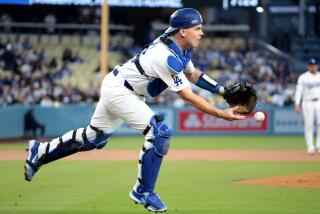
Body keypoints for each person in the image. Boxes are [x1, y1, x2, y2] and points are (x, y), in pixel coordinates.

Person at [24, 8, 245, 213]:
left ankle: (40, 151)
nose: (202, 32)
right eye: (198, 28)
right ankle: (143, 191)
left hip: (120, 86)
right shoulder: (164, 55)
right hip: (121, 91)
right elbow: (187, 95)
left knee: (93, 138)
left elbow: (193, 73)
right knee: (160, 132)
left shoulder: (179, 47)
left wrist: (221, 89)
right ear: (183, 31)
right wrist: (221, 113)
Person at [295, 58, 320, 154]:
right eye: (311, 65)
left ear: (317, 66)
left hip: (318, 102)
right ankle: (310, 147)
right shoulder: (303, 77)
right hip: (307, 102)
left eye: (314, 65)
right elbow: (299, 91)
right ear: (308, 66)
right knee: (309, 125)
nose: (313, 66)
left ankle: (319, 145)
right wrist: (297, 103)